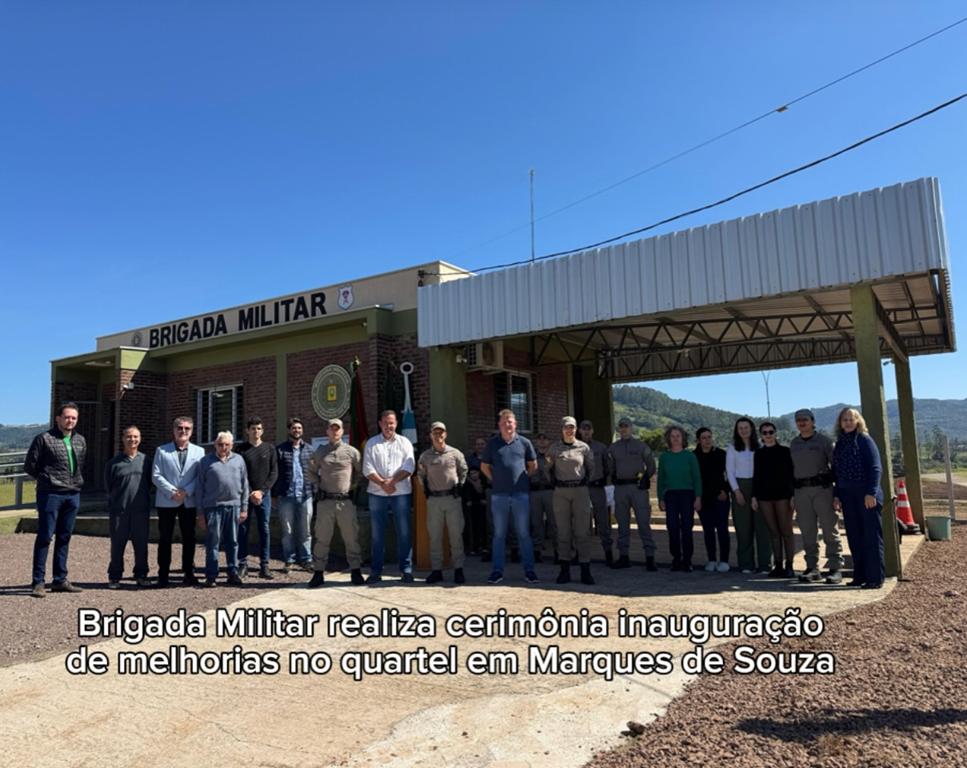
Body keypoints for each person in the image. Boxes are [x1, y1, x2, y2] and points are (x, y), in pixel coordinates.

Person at [25, 402, 87, 597]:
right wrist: (47, 480)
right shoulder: (43, 439)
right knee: (45, 536)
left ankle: (60, 579)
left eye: (74, 418)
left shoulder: (80, 440)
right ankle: (38, 582)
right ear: (58, 418)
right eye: (67, 417)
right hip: (50, 494)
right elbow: (30, 466)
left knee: (64, 536)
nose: (70, 421)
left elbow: (80, 464)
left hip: (73, 493)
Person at [480, 409, 538, 585]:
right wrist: (496, 479)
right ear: (499, 425)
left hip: (520, 494)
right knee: (499, 535)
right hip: (499, 496)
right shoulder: (492, 444)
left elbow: (532, 465)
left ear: (516, 424)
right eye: (504, 421)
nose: (507, 424)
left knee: (523, 534)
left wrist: (522, 480)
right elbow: (484, 466)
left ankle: (530, 571)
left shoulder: (525, 443)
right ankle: (497, 571)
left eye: (510, 421)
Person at [306, 418, 365, 588]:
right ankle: (318, 573)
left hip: (345, 502)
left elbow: (360, 473)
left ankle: (355, 571)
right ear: (327, 432)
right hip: (325, 502)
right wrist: (320, 484)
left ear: (342, 431)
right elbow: (310, 471)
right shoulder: (320, 451)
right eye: (332, 429)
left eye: (337, 429)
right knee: (322, 539)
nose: (335, 431)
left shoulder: (352, 452)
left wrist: (351, 486)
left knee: (351, 537)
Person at [832, 407, 885, 589]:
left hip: (866, 495)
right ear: (840, 423)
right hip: (848, 495)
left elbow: (876, 468)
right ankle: (859, 575)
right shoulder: (840, 443)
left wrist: (871, 492)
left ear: (858, 421)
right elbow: (837, 473)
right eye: (844, 419)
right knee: (854, 537)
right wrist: (837, 495)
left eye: (851, 419)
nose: (848, 422)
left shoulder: (864, 440)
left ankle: (875, 578)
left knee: (871, 537)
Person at [362, 410, 416, 584]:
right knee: (377, 534)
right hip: (377, 494)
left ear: (396, 424)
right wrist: (383, 484)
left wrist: (392, 481)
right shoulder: (371, 443)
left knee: (404, 532)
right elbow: (367, 469)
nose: (388, 426)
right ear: (380, 424)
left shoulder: (405, 442)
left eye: (391, 423)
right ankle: (376, 572)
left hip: (401, 493)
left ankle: (406, 570)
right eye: (385, 422)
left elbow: (409, 465)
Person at [790, 408, 842, 585]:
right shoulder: (794, 443)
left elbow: (836, 467)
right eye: (798, 420)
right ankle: (812, 568)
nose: (801, 423)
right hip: (801, 492)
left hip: (822, 489)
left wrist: (837, 493)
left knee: (829, 529)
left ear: (812, 421)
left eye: (805, 419)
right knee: (807, 531)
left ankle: (835, 568)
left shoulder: (824, 441)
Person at [152, 415, 205, 587]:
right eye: (179, 428)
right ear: (174, 430)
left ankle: (189, 572)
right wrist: (172, 491)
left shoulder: (199, 451)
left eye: (186, 428)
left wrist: (187, 491)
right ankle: (163, 575)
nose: (183, 431)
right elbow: (156, 474)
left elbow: (200, 476)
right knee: (165, 537)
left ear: (191, 431)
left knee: (189, 537)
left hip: (188, 501)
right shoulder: (162, 450)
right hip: (167, 500)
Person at [417, 421, 468, 585]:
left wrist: (460, 485)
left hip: (452, 499)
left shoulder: (455, 453)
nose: (438, 435)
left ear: (445, 434)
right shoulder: (425, 456)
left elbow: (464, 470)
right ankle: (436, 570)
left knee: (456, 535)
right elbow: (421, 475)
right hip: (434, 501)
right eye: (435, 433)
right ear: (430, 435)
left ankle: (458, 569)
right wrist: (425, 488)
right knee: (435, 536)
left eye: (441, 432)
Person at [197, 431, 249, 587]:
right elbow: (199, 488)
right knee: (213, 543)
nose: (223, 447)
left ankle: (232, 573)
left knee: (233, 542)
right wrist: (200, 513)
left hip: (234, 506)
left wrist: (244, 507)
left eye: (227, 444)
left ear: (232, 445)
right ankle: (211, 575)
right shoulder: (205, 462)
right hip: (213, 508)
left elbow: (245, 485)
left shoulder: (239, 460)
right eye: (220, 444)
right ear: (215, 445)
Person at [548, 416, 595, 585]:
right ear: (561, 429)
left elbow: (591, 468)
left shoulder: (584, 448)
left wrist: (583, 482)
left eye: (572, 427)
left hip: (580, 491)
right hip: (561, 492)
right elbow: (548, 468)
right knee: (563, 533)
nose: (570, 430)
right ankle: (564, 569)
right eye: (566, 427)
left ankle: (585, 569)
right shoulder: (554, 449)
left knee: (582, 532)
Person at [104, 425, 153, 589]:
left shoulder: (146, 461)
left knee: (141, 545)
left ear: (140, 439)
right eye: (129, 437)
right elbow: (108, 486)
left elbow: (150, 484)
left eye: (136, 437)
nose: (132, 440)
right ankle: (115, 576)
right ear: (123, 439)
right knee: (117, 545)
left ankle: (141, 575)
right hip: (119, 511)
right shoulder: (113, 463)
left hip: (140, 510)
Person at [606, 416, 657, 570]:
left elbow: (651, 465)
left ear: (631, 427)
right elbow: (610, 467)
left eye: (626, 426)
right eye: (621, 426)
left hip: (638, 489)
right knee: (622, 524)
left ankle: (650, 558)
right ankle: (623, 557)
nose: (624, 428)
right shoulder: (613, 448)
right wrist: (613, 477)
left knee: (643, 523)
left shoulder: (641, 446)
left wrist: (646, 478)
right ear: (618, 429)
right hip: (621, 488)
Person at [235, 416, 278, 580]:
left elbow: (274, 473)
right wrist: (252, 491)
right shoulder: (241, 450)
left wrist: (262, 491)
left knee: (264, 529)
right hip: (245, 496)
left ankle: (264, 565)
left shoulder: (270, 448)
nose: (256, 431)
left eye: (259, 428)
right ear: (247, 430)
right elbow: (240, 473)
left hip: (264, 496)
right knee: (243, 529)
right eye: (253, 428)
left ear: (262, 430)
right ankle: (242, 564)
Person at [751, 421, 796, 578]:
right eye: (765, 433)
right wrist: (754, 496)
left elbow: (791, 474)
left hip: (783, 496)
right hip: (764, 497)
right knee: (773, 532)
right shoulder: (758, 454)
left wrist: (792, 495)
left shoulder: (785, 451)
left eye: (770, 432)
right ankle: (778, 565)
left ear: (776, 433)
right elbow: (756, 476)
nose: (768, 435)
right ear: (761, 436)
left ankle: (789, 565)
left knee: (786, 531)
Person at [272, 417, 315, 574]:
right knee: (287, 531)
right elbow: (276, 474)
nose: (297, 430)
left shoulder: (310, 450)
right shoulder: (281, 450)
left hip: (305, 495)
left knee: (305, 530)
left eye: (299, 428)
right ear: (289, 430)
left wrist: (314, 490)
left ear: (302, 431)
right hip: (286, 496)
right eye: (294, 428)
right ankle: (289, 560)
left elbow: (315, 472)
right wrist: (274, 495)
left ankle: (306, 560)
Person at [657, 426, 702, 572]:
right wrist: (660, 498)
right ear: (668, 439)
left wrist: (698, 497)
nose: (675, 438)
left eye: (678, 436)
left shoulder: (690, 456)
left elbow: (696, 478)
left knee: (687, 528)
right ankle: (676, 559)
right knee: (672, 527)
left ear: (683, 438)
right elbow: (661, 479)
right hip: (671, 495)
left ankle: (687, 560)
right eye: (672, 436)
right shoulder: (664, 457)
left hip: (687, 495)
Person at [726, 417, 767, 574]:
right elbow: (729, 471)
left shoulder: (761, 446)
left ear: (752, 429)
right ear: (737, 431)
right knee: (743, 528)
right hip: (740, 488)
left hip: (759, 487)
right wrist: (736, 491)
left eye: (746, 427)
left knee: (762, 527)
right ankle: (746, 564)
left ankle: (765, 565)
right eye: (740, 428)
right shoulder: (732, 448)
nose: (743, 430)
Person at [694, 427, 731, 572]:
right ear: (698, 440)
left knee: (722, 529)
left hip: (720, 498)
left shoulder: (722, 454)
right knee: (708, 530)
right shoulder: (693, 456)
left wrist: (725, 490)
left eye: (709, 437)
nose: (707, 440)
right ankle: (711, 560)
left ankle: (724, 561)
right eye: (704, 437)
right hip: (703, 499)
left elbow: (730, 474)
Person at [579, 419, 613, 567]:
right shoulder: (574, 448)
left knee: (603, 522)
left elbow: (609, 467)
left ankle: (608, 554)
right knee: (581, 524)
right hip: (581, 489)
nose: (586, 431)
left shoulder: (601, 447)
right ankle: (581, 555)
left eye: (589, 428)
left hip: (598, 488)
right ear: (579, 431)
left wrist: (606, 483)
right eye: (584, 428)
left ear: (592, 431)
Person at [529, 432, 555, 563]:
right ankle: (537, 551)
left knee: (553, 522)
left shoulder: (552, 455)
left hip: (549, 491)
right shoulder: (531, 456)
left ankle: (558, 551)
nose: (542, 441)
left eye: (545, 439)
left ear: (549, 441)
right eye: (539, 439)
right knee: (536, 522)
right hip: (534, 492)